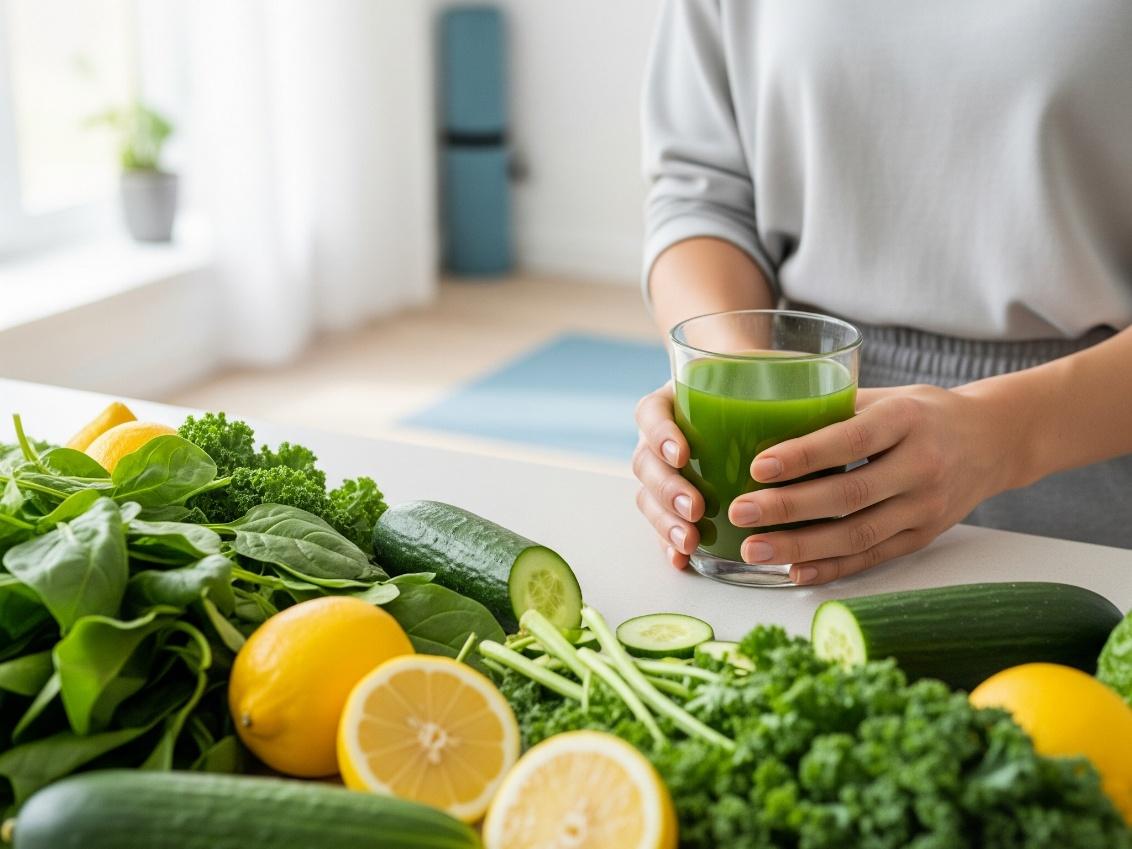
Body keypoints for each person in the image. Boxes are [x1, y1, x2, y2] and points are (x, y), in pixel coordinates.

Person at [633, 1, 1132, 585]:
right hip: (804, 455)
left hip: (1093, 448)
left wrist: (1007, 435)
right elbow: (704, 197)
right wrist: (735, 374)